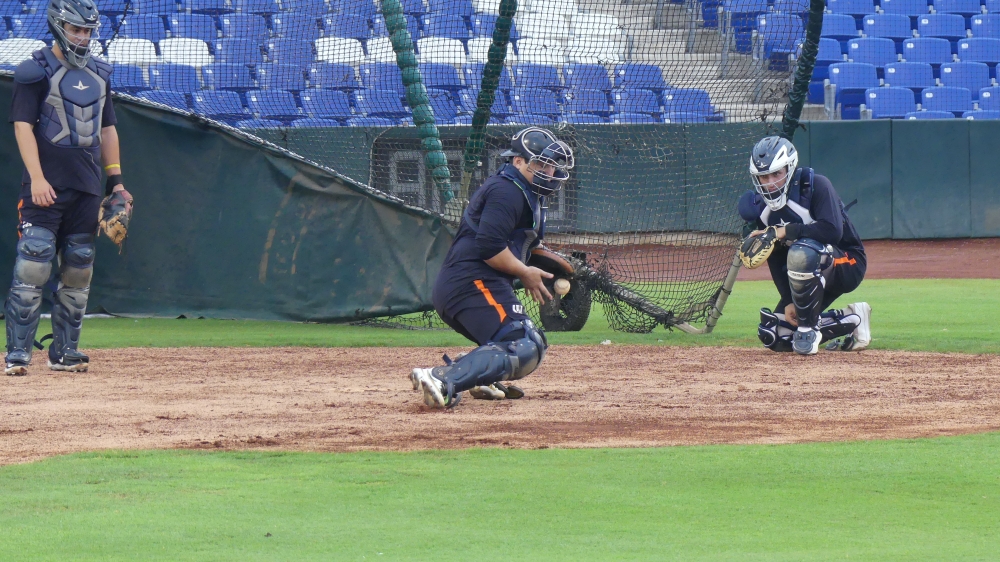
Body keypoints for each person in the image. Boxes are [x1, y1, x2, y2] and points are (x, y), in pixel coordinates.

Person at [410, 127, 574, 408]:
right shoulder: (506, 191)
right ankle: (441, 377)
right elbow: (489, 247)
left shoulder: (525, 191)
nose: (548, 170)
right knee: (524, 343)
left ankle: (475, 375)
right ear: (518, 161)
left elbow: (519, 246)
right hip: (471, 282)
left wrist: (546, 264)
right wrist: (525, 272)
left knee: (529, 343)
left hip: (474, 284)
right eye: (540, 163)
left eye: (550, 164)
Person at [6, 0, 129, 375]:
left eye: (88, 31)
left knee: (78, 269)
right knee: (34, 264)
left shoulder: (101, 73)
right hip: (45, 186)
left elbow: (107, 129)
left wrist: (117, 183)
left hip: (87, 187)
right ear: (59, 26)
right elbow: (22, 126)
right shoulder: (33, 71)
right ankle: (17, 355)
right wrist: (37, 177)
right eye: (77, 29)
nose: (83, 37)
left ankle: (64, 352)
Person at [737, 136, 871, 355]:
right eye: (763, 176)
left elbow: (832, 231)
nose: (770, 182)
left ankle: (808, 331)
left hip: (847, 262)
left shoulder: (816, 185)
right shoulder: (761, 209)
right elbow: (776, 256)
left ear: (789, 169)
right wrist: (789, 300)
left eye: (776, 174)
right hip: (805, 271)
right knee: (776, 336)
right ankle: (854, 319)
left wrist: (785, 231)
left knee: (803, 252)